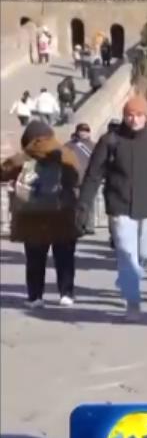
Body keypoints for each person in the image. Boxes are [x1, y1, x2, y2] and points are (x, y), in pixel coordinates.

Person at [76, 95, 147, 321]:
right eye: (129, 115)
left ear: (146, 117)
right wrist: (83, 205)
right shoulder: (110, 141)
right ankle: (133, 302)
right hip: (119, 206)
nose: (134, 120)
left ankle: (130, 280)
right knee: (127, 254)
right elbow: (93, 175)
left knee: (143, 255)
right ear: (124, 116)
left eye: (139, 115)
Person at [0, 121, 81, 307]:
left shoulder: (23, 157)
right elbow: (76, 177)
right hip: (62, 213)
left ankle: (35, 296)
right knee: (65, 256)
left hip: (33, 215)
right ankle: (66, 293)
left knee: (35, 258)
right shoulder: (66, 153)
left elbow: (3, 172)